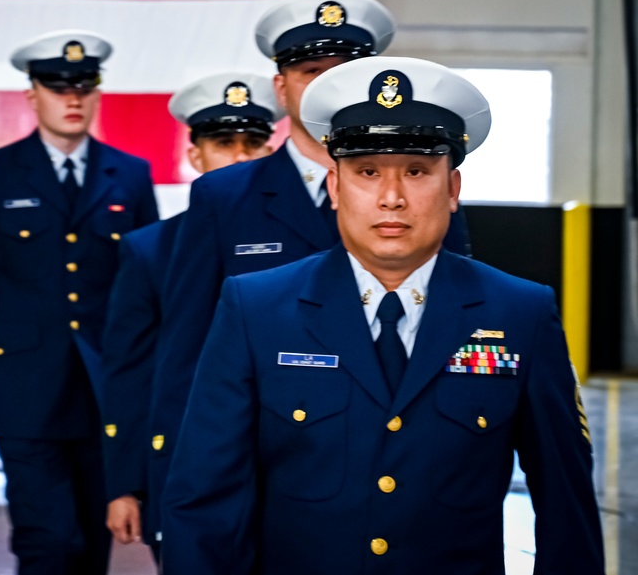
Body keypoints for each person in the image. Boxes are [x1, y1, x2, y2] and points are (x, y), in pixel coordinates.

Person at [161, 57, 605, 574]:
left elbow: (566, 506)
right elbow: (205, 499)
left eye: (417, 172)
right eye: (367, 172)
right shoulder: (256, 309)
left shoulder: (521, 314)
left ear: (453, 189)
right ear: (335, 187)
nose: (392, 198)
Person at [0, 30, 159, 575]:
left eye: (84, 86)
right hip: (24, 393)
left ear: (98, 92)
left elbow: (149, 289)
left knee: (91, 543)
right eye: (58, 88)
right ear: (32, 94)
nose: (73, 98)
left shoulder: (130, 174)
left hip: (106, 393)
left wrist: (150, 391)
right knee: (47, 542)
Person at [101, 73, 281, 562]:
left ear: (270, 152)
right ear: (194, 154)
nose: (240, 156)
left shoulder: (306, 240)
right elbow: (129, 371)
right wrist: (124, 484)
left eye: (253, 142)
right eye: (223, 143)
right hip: (188, 464)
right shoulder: (149, 249)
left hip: (293, 466)